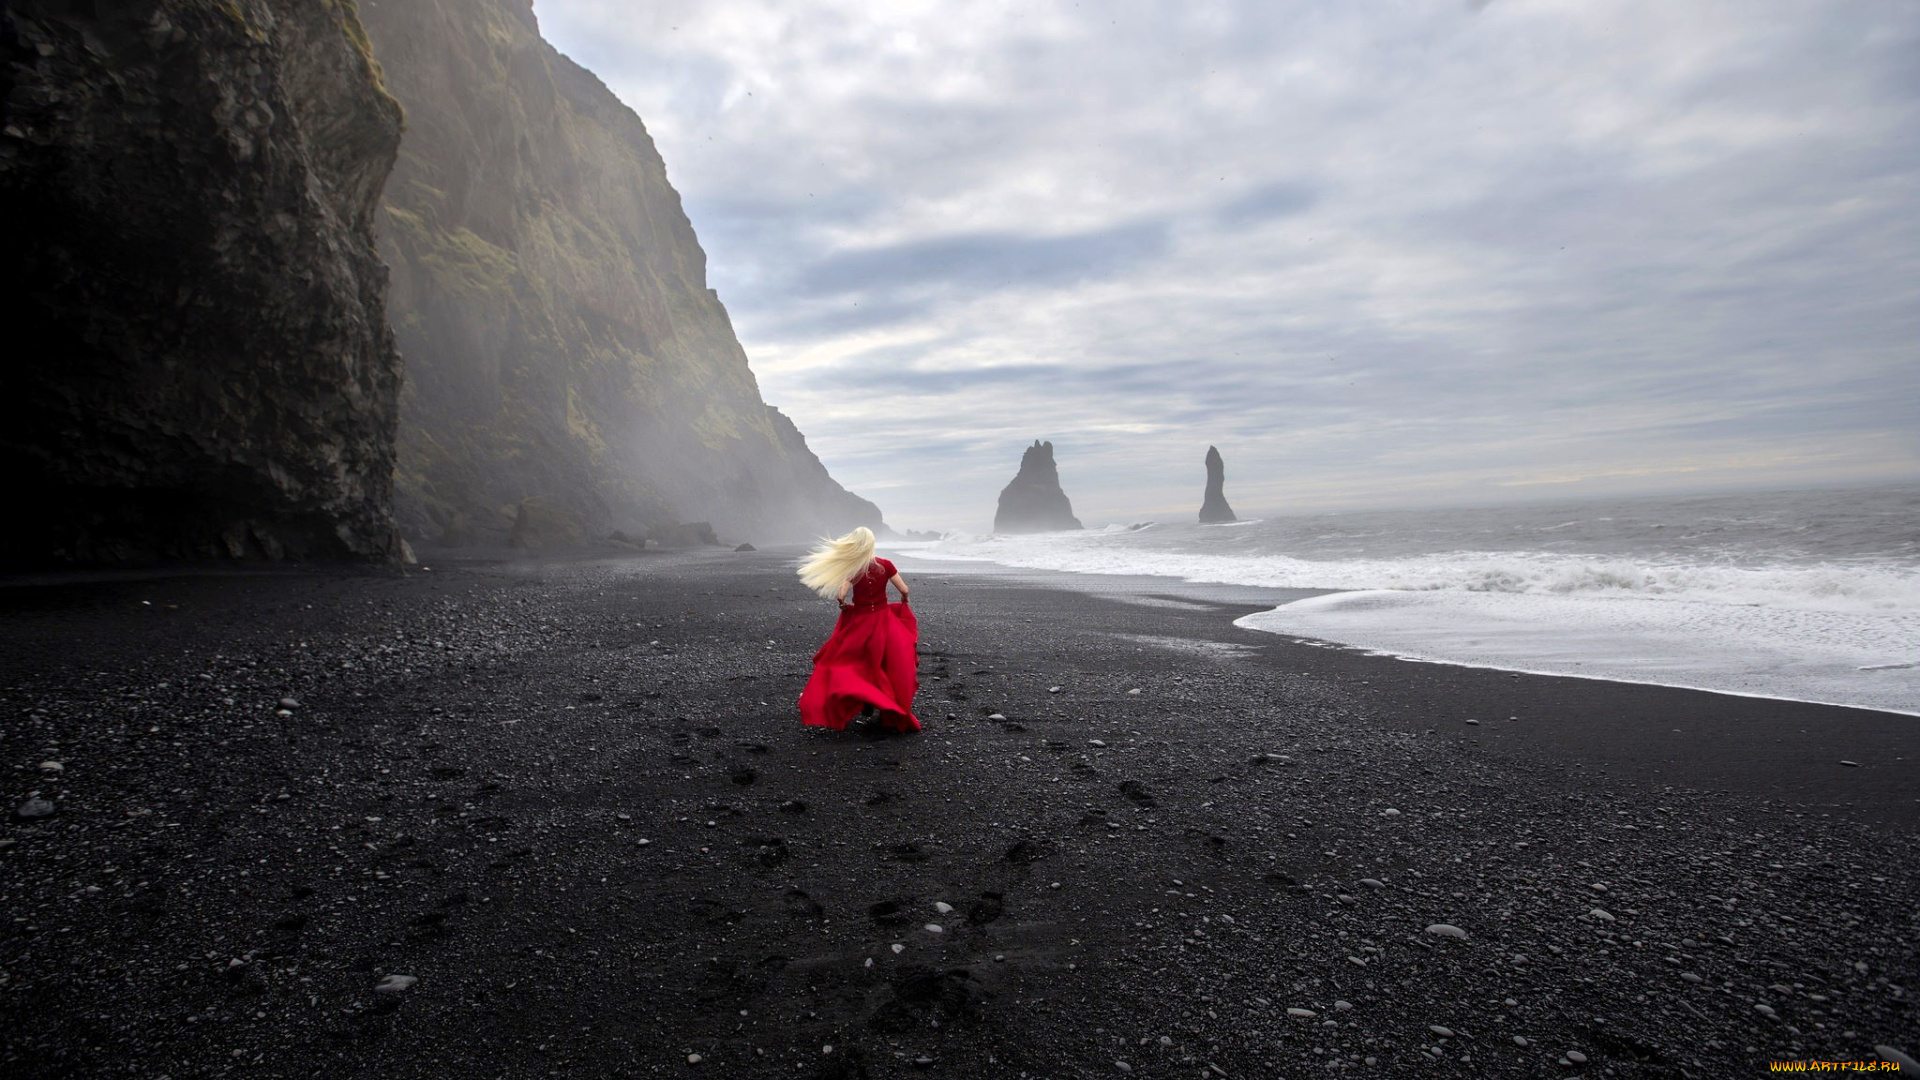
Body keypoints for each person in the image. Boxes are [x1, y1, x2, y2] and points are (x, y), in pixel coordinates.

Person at [796, 526, 920, 732]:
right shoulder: (885, 564)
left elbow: (841, 595)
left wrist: (843, 605)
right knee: (887, 662)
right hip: (883, 621)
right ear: (871, 544)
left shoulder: (853, 569)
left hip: (861, 622)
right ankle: (882, 702)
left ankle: (866, 698)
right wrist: (904, 600)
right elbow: (904, 589)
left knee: (854, 662)